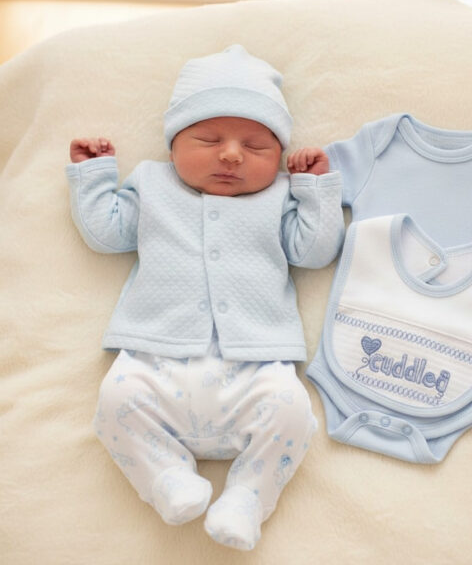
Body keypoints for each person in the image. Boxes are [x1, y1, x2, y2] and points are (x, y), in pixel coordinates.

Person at [65, 45, 344, 551]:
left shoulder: (279, 195)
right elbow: (107, 234)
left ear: (279, 157)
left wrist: (314, 189)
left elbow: (315, 253)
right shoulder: (152, 184)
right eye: (209, 139)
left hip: (256, 365)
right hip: (155, 358)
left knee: (292, 411)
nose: (232, 154)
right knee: (115, 401)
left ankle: (248, 499)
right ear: (173, 147)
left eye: (256, 146)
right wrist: (94, 176)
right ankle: (167, 479)